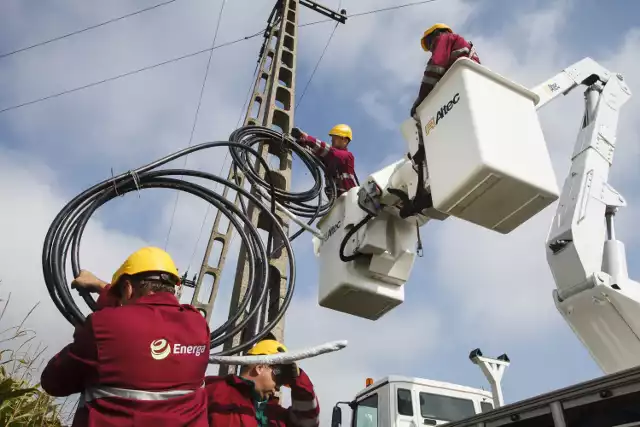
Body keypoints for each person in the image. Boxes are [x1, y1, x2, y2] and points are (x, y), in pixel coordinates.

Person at [40, 247, 211, 427]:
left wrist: (84, 336)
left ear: (127, 288)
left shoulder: (102, 326)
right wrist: (102, 287)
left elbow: (53, 382)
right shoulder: (199, 325)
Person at [205, 336, 320, 427]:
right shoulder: (216, 391)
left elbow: (308, 422)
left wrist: (298, 379)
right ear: (260, 367)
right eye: (278, 378)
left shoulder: (277, 415)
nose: (278, 388)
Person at [410, 23, 481, 117]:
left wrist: (420, 100)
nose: (431, 48)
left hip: (461, 82)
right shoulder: (457, 42)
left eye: (429, 43)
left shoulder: (444, 38)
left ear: (436, 34)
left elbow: (435, 67)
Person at [291, 124, 358, 198]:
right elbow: (316, 156)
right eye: (332, 138)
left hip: (350, 199)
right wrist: (303, 145)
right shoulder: (331, 160)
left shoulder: (347, 156)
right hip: (338, 202)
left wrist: (306, 138)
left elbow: (331, 153)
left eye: (335, 138)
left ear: (345, 140)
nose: (332, 140)